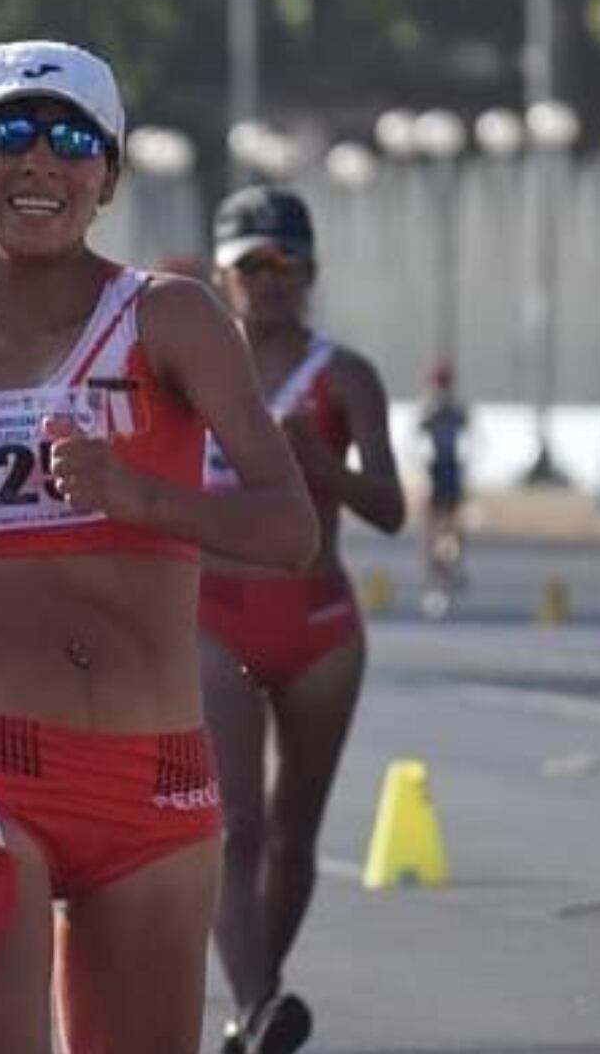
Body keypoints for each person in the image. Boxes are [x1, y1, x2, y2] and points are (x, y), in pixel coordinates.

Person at [0, 40, 317, 1053]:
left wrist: (137, 494)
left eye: (73, 138)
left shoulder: (172, 319)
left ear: (109, 177)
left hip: (158, 781)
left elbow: (289, 528)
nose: (39, 161)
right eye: (6, 132)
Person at [199, 185, 406, 1054]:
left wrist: (326, 464)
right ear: (224, 274)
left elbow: (392, 509)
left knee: (294, 834)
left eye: (286, 264)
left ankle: (259, 1006)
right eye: (252, 265)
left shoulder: (345, 375)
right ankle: (257, 1005)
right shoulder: (190, 368)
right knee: (232, 827)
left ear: (311, 272)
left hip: (320, 623)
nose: (270, 281)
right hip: (216, 617)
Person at [418, 360, 469, 620]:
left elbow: (473, 438)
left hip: (449, 472)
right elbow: (414, 440)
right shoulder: (431, 410)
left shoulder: (454, 411)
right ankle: (435, 581)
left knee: (450, 529)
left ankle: (450, 570)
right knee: (432, 530)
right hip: (436, 472)